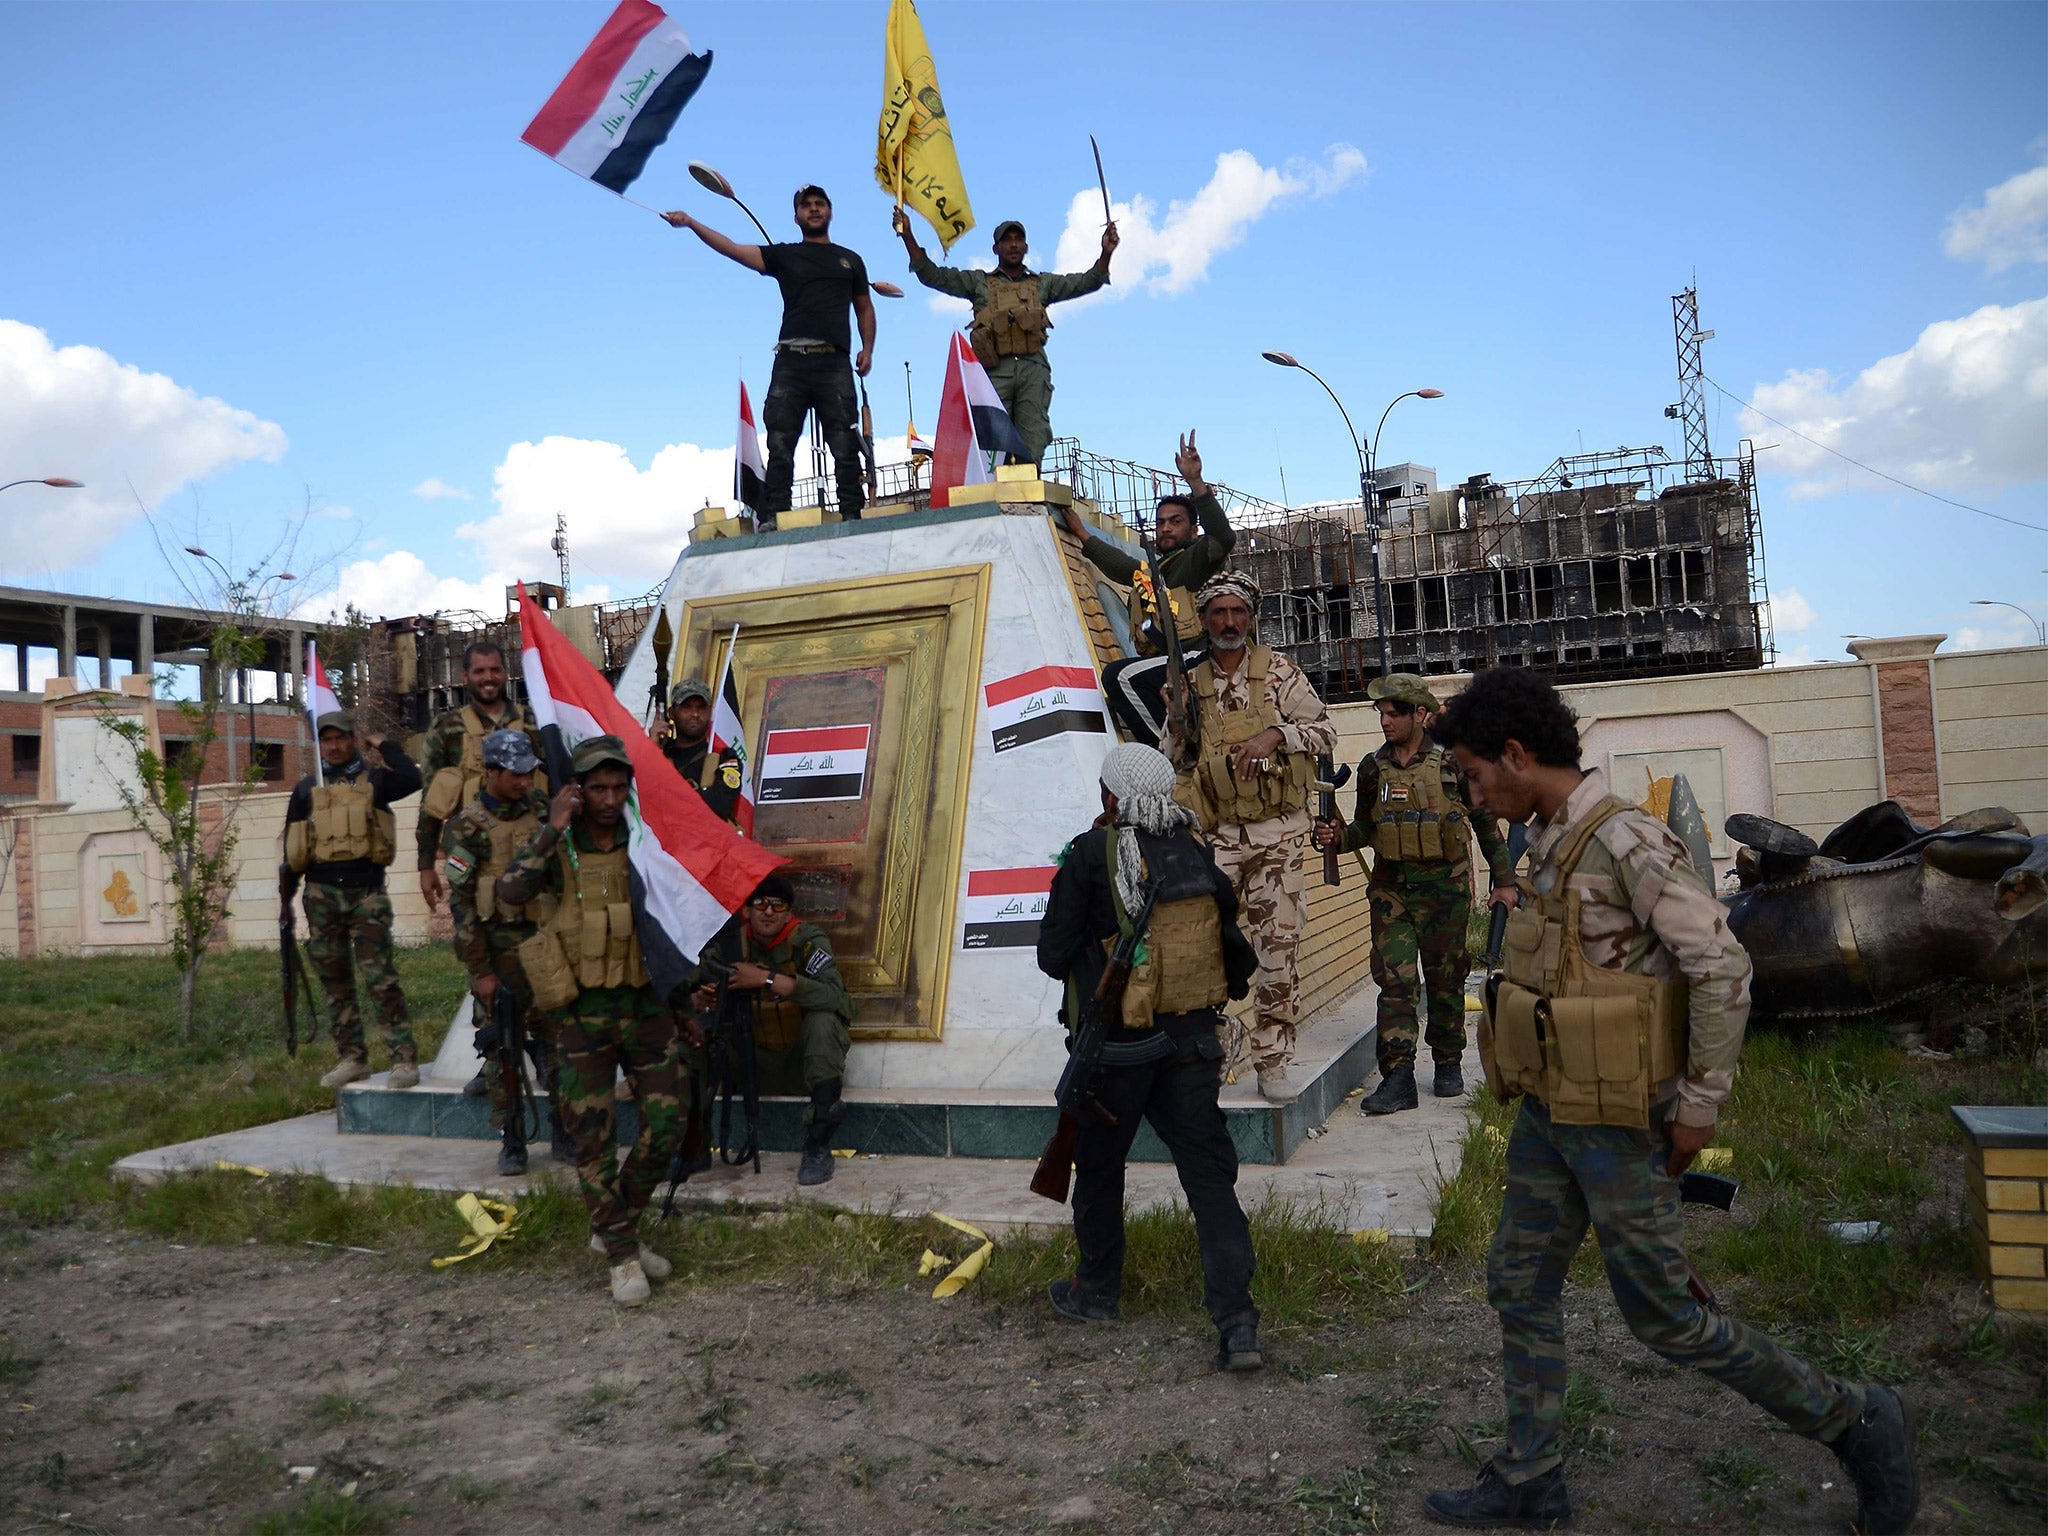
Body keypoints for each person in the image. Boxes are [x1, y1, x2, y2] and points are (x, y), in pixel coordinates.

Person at [1420, 668, 1919, 1535]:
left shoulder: (1626, 842)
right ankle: (1532, 1477)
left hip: (1620, 1120)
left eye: (1473, 771)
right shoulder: (1546, 839)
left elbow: (1722, 965)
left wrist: (1700, 1102)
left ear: (1515, 753)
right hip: (1553, 1111)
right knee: (1518, 1279)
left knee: (1667, 1320)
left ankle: (1855, 1417)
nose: (1473, 790)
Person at [1035, 743, 1263, 1370]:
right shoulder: (1193, 848)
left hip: (1118, 1051)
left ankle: (1098, 1291)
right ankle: (1238, 1321)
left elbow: (1052, 956)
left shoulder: (1092, 854)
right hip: (1191, 1044)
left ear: (1111, 795)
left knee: (1101, 1170)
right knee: (1209, 1179)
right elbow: (1232, 946)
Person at [494, 736, 689, 1307]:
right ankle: (624, 1258)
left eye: (617, 786)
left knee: (667, 1125)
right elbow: (509, 891)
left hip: (646, 1007)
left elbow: (677, 915)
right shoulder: (558, 846)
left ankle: (613, 1228)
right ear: (578, 789)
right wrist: (552, 826)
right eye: (597, 787)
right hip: (581, 1015)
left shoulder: (645, 842)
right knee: (593, 1142)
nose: (608, 797)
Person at [1161, 573, 1335, 1099]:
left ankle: (1273, 1060)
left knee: (1277, 948)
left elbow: (1325, 732)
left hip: (1276, 837)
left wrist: (1276, 734)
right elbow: (1172, 760)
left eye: (1238, 611)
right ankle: (1212, 1051)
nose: (1229, 621)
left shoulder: (1279, 672)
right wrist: (1174, 716)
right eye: (1218, 612)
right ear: (1206, 620)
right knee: (1205, 952)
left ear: (1251, 617)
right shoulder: (1189, 683)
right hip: (1215, 838)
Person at [1312, 674, 1515, 1115]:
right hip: (1392, 892)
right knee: (1396, 983)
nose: (1385, 721)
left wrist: (1504, 882)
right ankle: (1398, 1076)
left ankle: (1447, 1061)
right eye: (1381, 714)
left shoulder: (1452, 764)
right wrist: (1336, 837)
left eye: (1394, 713)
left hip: (1446, 890)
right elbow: (1365, 828)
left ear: (1419, 715)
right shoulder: (1371, 768)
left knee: (1446, 981)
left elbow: (1485, 825)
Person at [666, 186, 876, 525]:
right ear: (796, 217)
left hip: (834, 361)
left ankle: (851, 513)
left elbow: (864, 307)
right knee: (780, 443)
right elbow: (733, 249)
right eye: (806, 206)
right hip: (790, 360)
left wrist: (868, 348)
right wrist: (691, 222)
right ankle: (776, 516)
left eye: (820, 204)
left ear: (830, 212)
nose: (813, 209)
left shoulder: (850, 260)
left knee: (844, 442)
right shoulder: (784, 255)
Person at [440, 729, 572, 1175]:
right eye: (514, 774)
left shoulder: (541, 810)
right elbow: (461, 908)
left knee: (557, 1042)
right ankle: (512, 1139)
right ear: (491, 772)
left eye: (528, 772)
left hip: (544, 946)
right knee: (502, 1052)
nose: (523, 780)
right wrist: (480, 971)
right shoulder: (466, 827)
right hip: (497, 953)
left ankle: (563, 1129)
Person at [894, 211, 1118, 465]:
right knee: (992, 444)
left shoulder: (1041, 284)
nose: (1013, 244)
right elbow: (932, 275)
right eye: (1007, 240)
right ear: (996, 248)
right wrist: (908, 236)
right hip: (994, 371)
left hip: (1033, 369)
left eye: (1018, 239)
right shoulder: (979, 283)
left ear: (1026, 247)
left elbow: (1087, 282)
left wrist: (1107, 252)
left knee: (1032, 440)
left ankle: (1029, 498)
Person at [281, 711, 424, 1091]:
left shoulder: (375, 781)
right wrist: (286, 902)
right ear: (319, 744)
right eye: (327, 739)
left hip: (366, 894)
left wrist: (384, 745)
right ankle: (352, 1058)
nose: (335, 745)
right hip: (321, 895)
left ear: (352, 739)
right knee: (335, 982)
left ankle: (403, 1059)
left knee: (381, 979)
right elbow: (293, 848)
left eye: (341, 738)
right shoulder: (306, 788)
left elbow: (413, 778)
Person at [1067, 435, 1237, 745]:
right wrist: (1080, 533)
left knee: (1121, 677)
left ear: (1193, 529)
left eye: (1175, 521)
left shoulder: (1198, 559)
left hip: (1199, 657)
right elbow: (1128, 570)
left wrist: (1196, 482)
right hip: (1173, 660)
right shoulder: (1163, 569)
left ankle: (1167, 750)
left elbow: (1224, 538)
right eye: (1160, 523)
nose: (1166, 528)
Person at [699, 873, 858, 1187]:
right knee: (698, 1029)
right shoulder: (729, 943)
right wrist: (706, 995)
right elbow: (690, 983)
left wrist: (766, 980)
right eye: (759, 903)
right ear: (746, 910)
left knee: (824, 1021)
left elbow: (833, 996)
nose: (768, 911)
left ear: (788, 912)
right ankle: (693, 1144)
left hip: (800, 1063)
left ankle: (817, 1145)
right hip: (747, 1063)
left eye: (777, 905)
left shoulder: (806, 941)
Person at [416, 640, 544, 914]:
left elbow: (556, 784)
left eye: (495, 670)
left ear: (505, 672)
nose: (488, 678)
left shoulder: (534, 721)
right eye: (479, 671)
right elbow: (431, 801)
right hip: (473, 851)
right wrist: (426, 864)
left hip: (527, 846)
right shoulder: (447, 728)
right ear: (465, 676)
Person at [657, 677, 742, 825]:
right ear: (671, 713)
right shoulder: (660, 755)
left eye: (701, 707)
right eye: (687, 707)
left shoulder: (723, 758)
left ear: (710, 712)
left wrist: (670, 799)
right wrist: (652, 747)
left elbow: (719, 803)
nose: (695, 714)